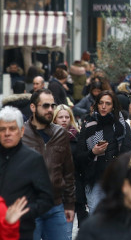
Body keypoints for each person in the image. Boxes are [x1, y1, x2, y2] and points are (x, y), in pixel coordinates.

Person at [22, 89, 75, 240]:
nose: (50, 110)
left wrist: (70, 204)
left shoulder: (61, 134)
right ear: (33, 107)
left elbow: (68, 172)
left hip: (56, 206)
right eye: (45, 106)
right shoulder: (21, 134)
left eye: (52, 106)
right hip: (29, 207)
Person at [75, 90, 131, 213]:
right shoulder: (88, 125)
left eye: (108, 103)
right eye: (101, 103)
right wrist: (93, 152)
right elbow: (79, 156)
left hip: (116, 180)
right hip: (94, 179)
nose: (103, 106)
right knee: (96, 220)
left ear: (113, 106)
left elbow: (127, 154)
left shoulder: (121, 126)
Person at [0, 106, 53, 239]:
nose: (7, 133)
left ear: (21, 131)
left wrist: (22, 213)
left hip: (22, 231)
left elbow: (46, 199)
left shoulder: (33, 159)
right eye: (2, 129)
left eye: (12, 128)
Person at [53, 105, 89, 227]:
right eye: (61, 117)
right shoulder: (48, 137)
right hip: (54, 187)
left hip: (73, 186)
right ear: (55, 119)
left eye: (67, 117)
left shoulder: (77, 137)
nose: (64, 120)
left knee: (68, 229)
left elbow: (82, 163)